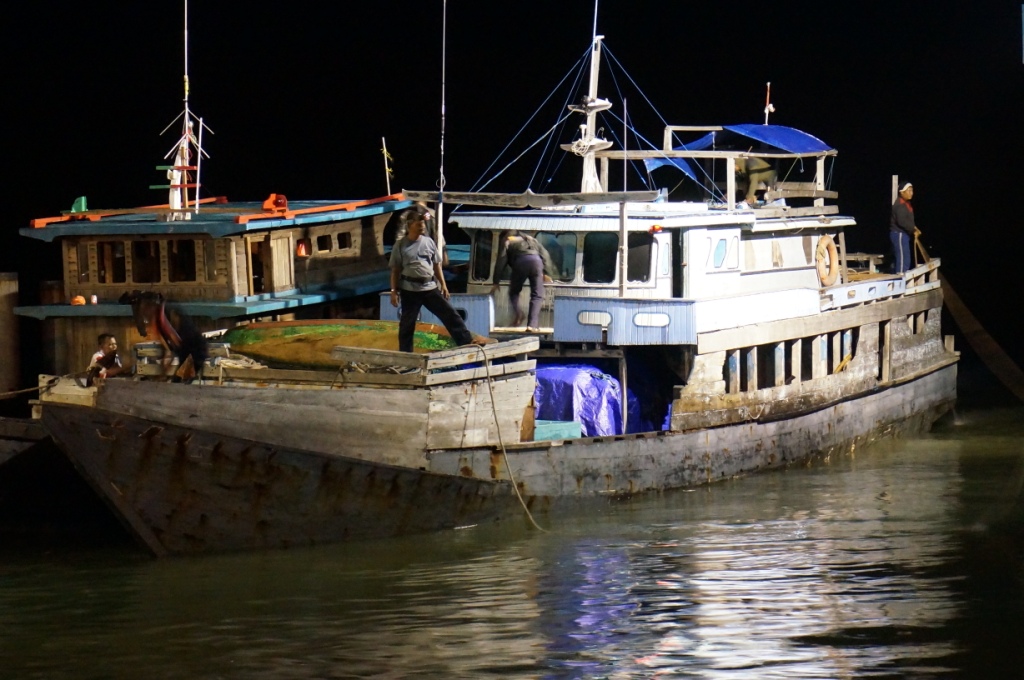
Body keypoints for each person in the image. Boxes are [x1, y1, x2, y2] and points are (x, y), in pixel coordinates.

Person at [389, 209, 480, 352]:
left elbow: (437, 265)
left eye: (423, 225)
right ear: (410, 225)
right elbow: (395, 270)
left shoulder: (429, 242)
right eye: (419, 225)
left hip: (429, 287)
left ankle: (465, 340)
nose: (422, 227)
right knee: (407, 324)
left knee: (450, 314)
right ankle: (406, 354)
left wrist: (443, 285)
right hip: (409, 290)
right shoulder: (400, 245)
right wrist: (393, 291)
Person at [490, 230, 555, 332]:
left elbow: (501, 260)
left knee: (514, 292)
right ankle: (532, 325)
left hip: (520, 262)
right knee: (537, 295)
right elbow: (545, 255)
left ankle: (519, 314)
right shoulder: (532, 240)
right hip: (537, 262)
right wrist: (547, 273)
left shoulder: (507, 240)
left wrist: (496, 281)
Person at [890, 181, 920, 274]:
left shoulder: (906, 204)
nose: (911, 193)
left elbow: (907, 220)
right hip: (899, 234)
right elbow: (902, 221)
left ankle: (902, 279)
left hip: (904, 234)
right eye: (909, 190)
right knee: (903, 259)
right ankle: (901, 280)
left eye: (912, 190)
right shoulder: (900, 205)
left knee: (906, 258)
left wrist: (915, 227)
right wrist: (913, 230)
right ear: (902, 192)